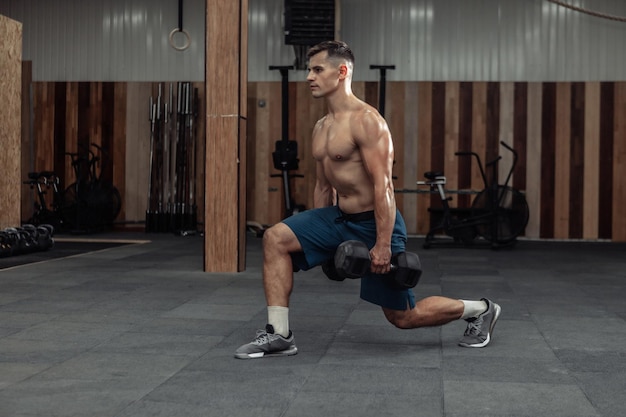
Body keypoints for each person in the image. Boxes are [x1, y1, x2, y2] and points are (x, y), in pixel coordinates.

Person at [235, 40, 500, 359]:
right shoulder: (322, 126)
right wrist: (323, 244)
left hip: (375, 223)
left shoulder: (368, 121)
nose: (309, 77)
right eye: (309, 70)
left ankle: (480, 310)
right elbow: (323, 186)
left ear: (342, 71)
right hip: (339, 218)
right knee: (275, 237)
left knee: (403, 317)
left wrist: (384, 244)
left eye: (318, 69)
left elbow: (383, 187)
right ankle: (279, 334)